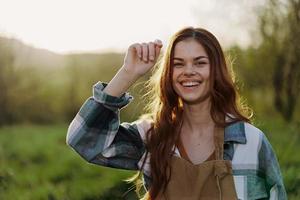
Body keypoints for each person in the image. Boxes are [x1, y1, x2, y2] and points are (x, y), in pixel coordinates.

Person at [66, 27, 287, 200]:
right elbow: (83, 140)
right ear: (169, 75)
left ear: (216, 71)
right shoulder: (152, 136)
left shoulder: (251, 141)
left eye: (200, 63)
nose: (188, 71)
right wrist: (128, 73)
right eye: (178, 64)